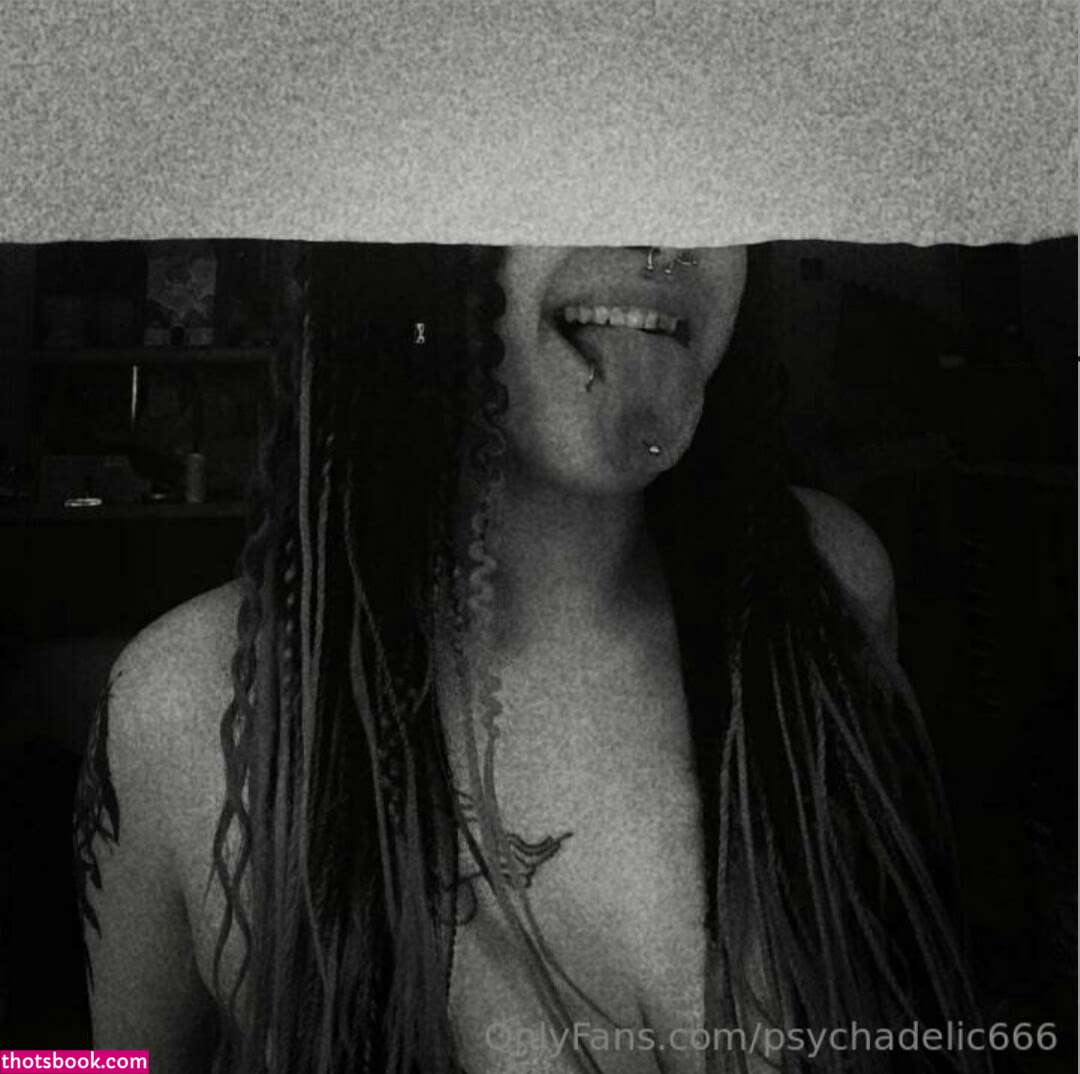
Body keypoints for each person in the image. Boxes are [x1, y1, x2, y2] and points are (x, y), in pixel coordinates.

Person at [73, 244, 987, 1074]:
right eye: (567, 154)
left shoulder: (828, 593)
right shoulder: (186, 703)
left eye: (711, 173)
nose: (663, 233)